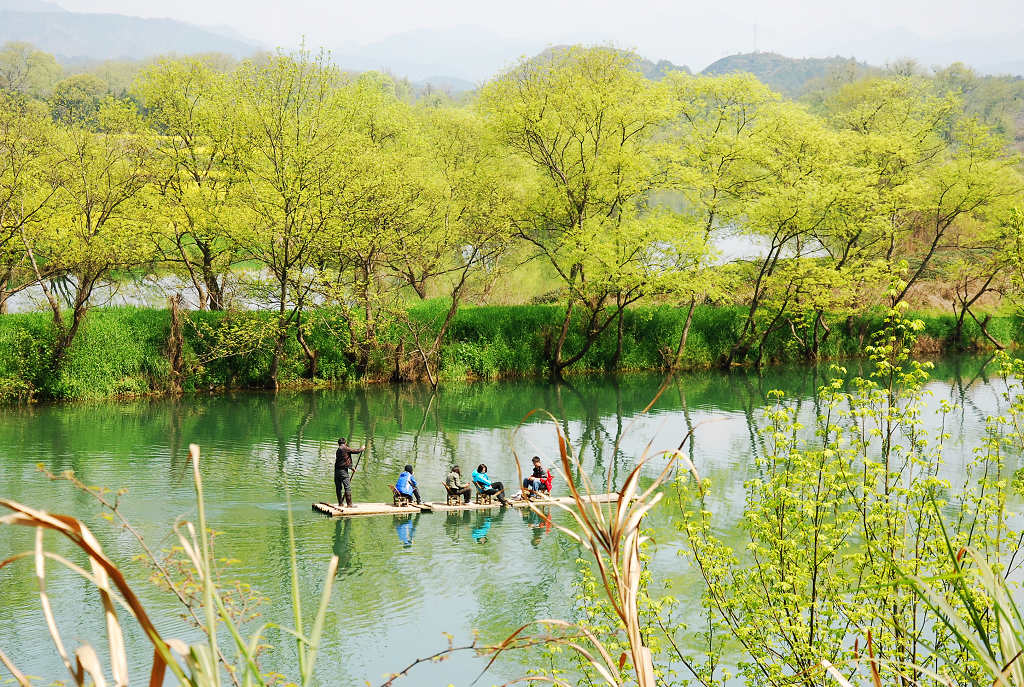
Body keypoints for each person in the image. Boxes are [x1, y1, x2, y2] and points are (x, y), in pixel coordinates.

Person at [334, 437, 364, 508]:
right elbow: (356, 451)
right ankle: (349, 505)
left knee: (338, 488)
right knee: (347, 487)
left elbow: (344, 459)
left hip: (336, 471)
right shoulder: (345, 448)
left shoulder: (338, 450)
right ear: (345, 442)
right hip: (343, 472)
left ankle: (340, 503)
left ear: (339, 443)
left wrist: (351, 467)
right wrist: (362, 448)